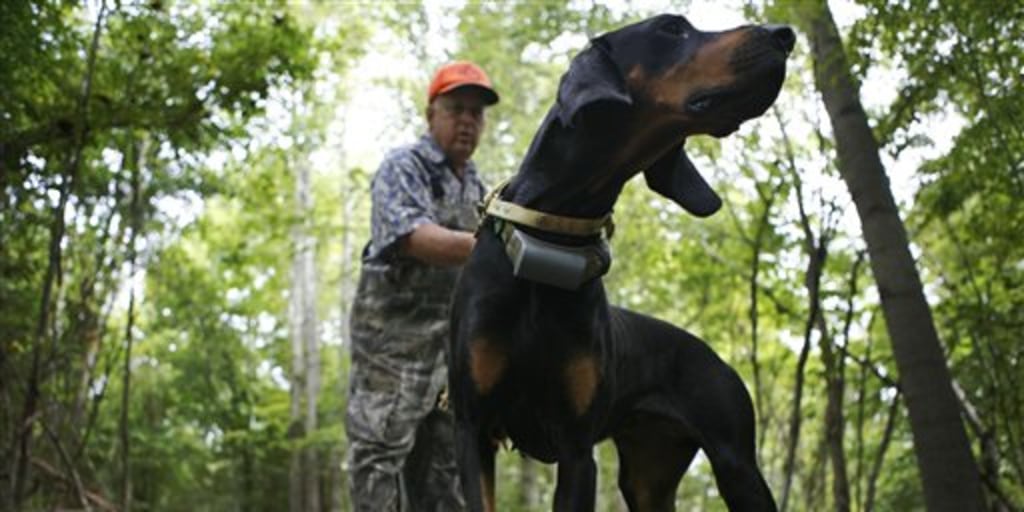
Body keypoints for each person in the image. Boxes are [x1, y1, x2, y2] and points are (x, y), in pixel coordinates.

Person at [345, 61, 499, 511]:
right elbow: (414, 237)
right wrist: (499, 248)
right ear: (432, 114)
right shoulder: (404, 167)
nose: (467, 121)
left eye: (476, 113)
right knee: (379, 456)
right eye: (456, 109)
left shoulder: (478, 188)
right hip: (391, 349)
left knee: (443, 472)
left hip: (450, 353)